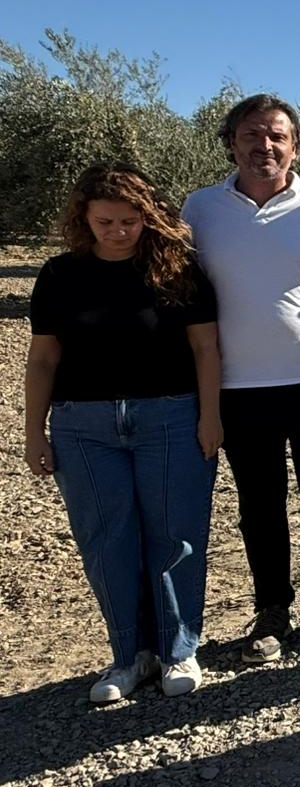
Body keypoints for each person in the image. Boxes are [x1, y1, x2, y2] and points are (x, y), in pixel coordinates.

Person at [181, 93, 300, 659]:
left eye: (276, 136)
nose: (263, 145)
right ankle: (272, 612)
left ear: (295, 146)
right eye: (251, 134)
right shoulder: (199, 209)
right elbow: (179, 295)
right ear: (231, 142)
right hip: (237, 388)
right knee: (258, 504)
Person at [24, 166, 222, 703]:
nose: (118, 231)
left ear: (148, 218)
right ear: (83, 219)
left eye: (130, 221)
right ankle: (128, 658)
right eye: (105, 221)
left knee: (175, 536)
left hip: (172, 417)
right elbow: (42, 359)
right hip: (82, 427)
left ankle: (179, 650)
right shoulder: (60, 275)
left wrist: (211, 416)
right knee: (107, 540)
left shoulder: (178, 270)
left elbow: (206, 348)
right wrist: (33, 432)